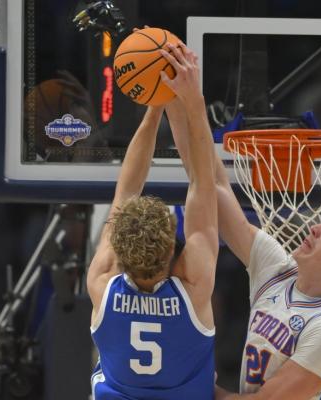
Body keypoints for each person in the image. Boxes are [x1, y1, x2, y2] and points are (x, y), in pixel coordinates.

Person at [165, 45, 321, 399]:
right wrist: (179, 100)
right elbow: (211, 183)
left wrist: (200, 388)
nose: (315, 227)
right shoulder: (277, 270)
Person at [87, 41, 218, 399]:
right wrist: (180, 100)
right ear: (171, 248)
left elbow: (127, 189)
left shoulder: (103, 282)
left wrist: (159, 105)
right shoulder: (193, 288)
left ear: (118, 250)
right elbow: (203, 184)